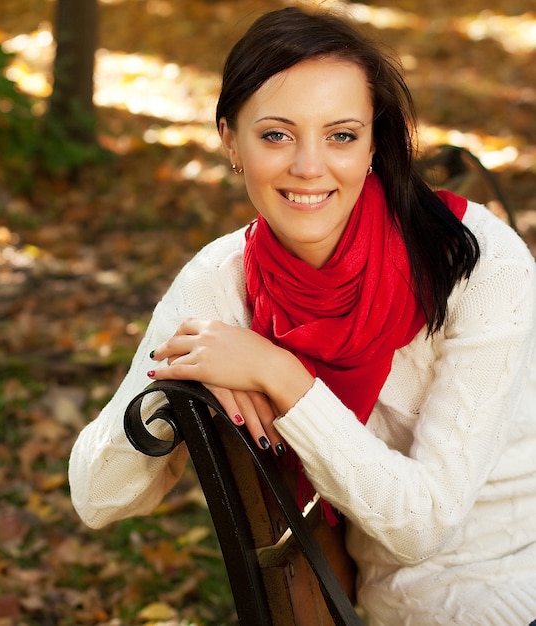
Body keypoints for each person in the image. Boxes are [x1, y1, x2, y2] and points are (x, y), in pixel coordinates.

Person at [69, 6, 536, 625]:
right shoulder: (222, 282)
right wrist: (181, 382)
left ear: (374, 143)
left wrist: (280, 375)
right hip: (419, 604)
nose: (309, 167)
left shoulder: (477, 261)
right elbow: (97, 497)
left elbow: (426, 522)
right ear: (230, 141)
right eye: (276, 135)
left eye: (341, 135)